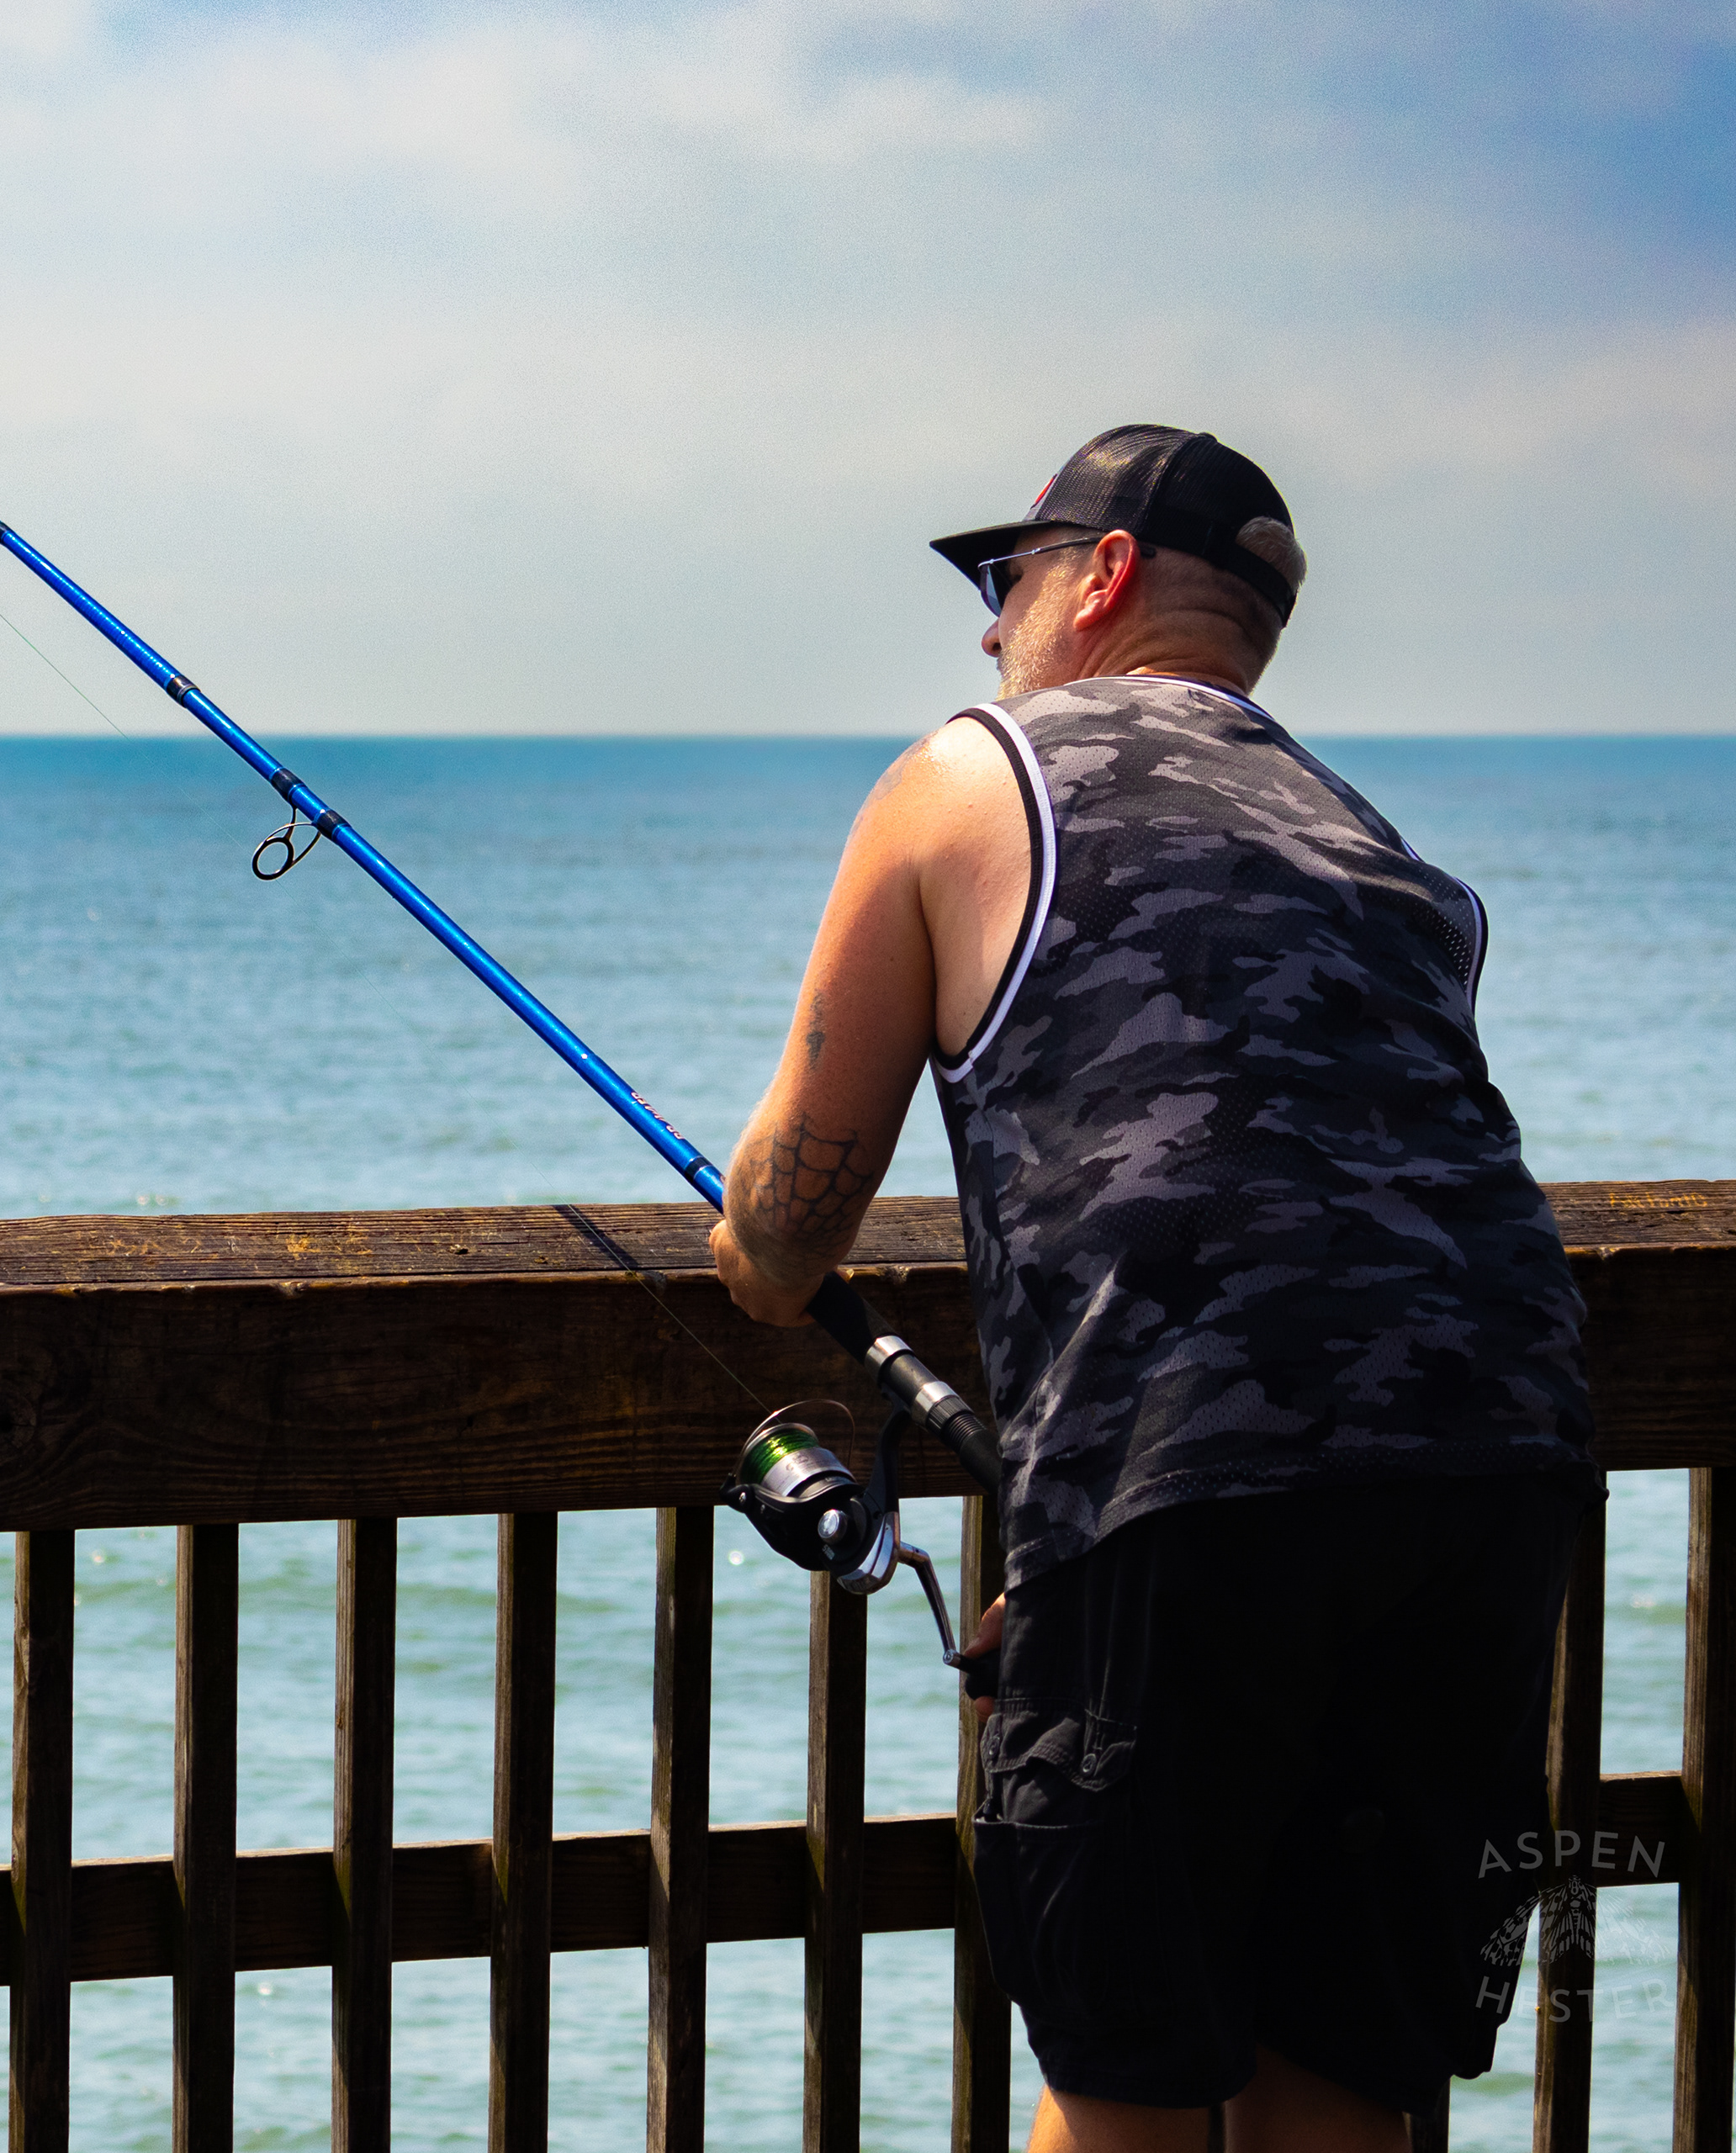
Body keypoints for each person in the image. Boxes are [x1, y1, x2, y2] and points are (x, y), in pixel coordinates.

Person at [706, 426, 1601, 2151]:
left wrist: (749, 1250)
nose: (987, 634)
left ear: (1101, 576)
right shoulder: (1371, 838)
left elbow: (790, 1216)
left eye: (1008, 579)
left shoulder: (971, 773)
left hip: (1198, 1459)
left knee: (1124, 2076)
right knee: (1348, 2067)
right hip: (1497, 1462)